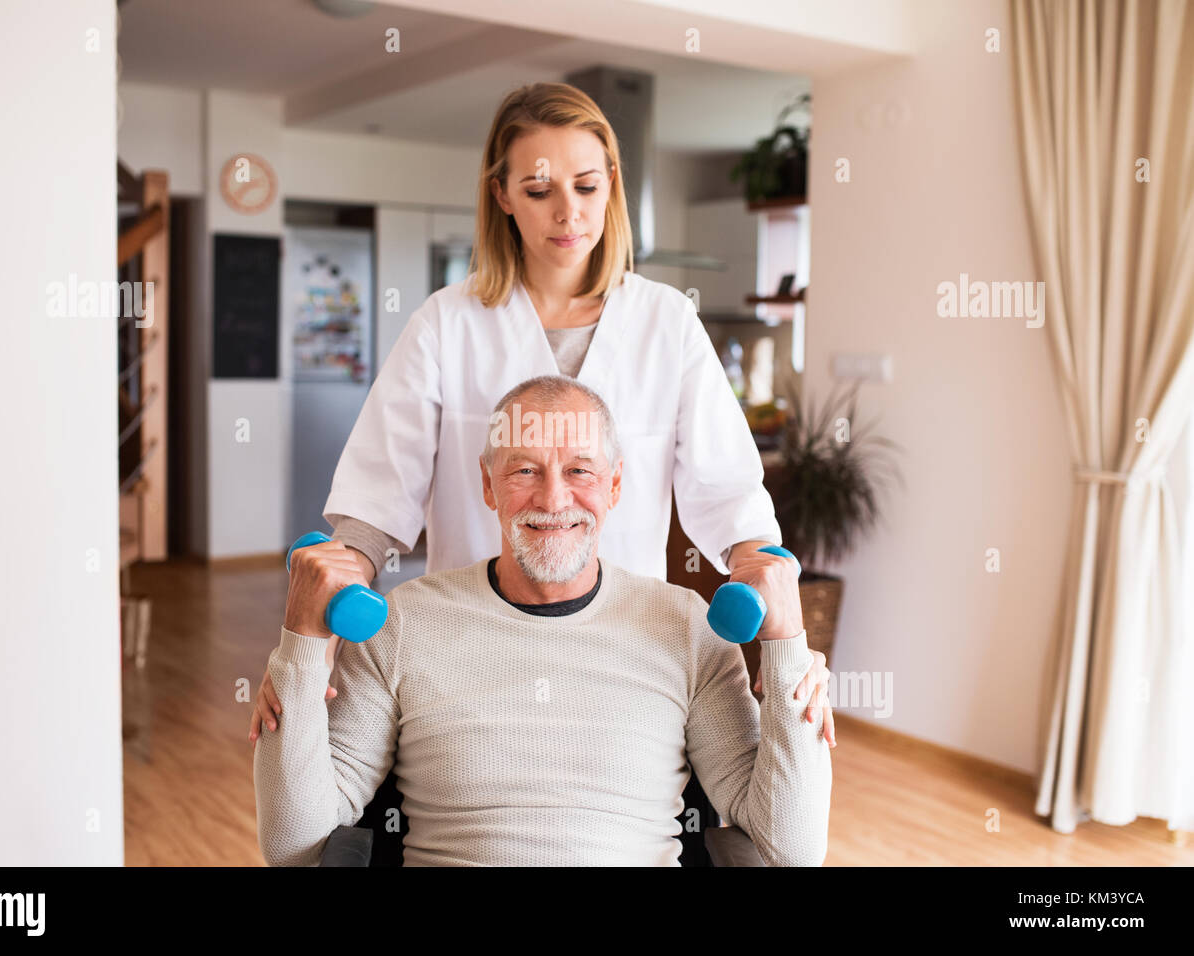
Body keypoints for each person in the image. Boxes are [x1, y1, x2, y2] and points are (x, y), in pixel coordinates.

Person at [249, 80, 827, 742]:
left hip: (625, 652)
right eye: (538, 190)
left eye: (586, 186)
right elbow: (377, 499)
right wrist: (307, 640)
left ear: (612, 182)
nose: (567, 213)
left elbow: (730, 497)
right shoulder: (447, 323)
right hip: (468, 647)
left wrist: (784, 627)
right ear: (501, 195)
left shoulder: (666, 322)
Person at [254, 376, 832, 866]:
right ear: (488, 484)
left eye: (580, 470)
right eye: (525, 470)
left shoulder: (688, 629)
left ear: (614, 484)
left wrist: (787, 652)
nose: (553, 500)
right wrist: (301, 646)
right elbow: (293, 844)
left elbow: (790, 851)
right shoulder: (404, 623)